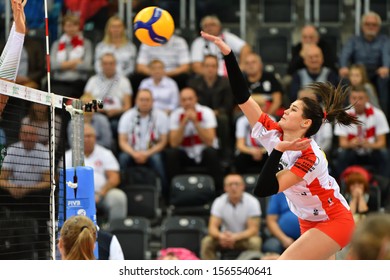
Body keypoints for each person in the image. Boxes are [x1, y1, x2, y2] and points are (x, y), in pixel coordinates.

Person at [201, 30, 360, 260]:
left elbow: (263, 189)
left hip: (333, 220)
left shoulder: (310, 157)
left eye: (293, 109)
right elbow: (243, 98)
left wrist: (277, 151)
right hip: (308, 220)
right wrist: (228, 56)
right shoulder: (273, 131)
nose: (285, 110)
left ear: (305, 123)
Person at [64, 124, 127, 223]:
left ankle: (115, 232)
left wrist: (100, 194)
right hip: (76, 195)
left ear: (95, 138)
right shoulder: (68, 156)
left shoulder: (106, 153)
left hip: (102, 194)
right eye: (83, 136)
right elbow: (63, 179)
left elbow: (114, 178)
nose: (87, 139)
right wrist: (80, 195)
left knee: (118, 197)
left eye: (89, 136)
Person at [165, 87, 224, 192]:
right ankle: (173, 190)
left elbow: (210, 141)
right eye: (184, 100)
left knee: (211, 152)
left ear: (196, 99)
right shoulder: (175, 115)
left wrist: (196, 123)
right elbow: (173, 143)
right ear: (180, 101)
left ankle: (218, 190)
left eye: (190, 99)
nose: (187, 102)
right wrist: (183, 123)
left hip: (204, 152)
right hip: (186, 154)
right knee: (171, 153)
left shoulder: (207, 112)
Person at [117, 89, 169, 196]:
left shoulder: (161, 116)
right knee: (123, 158)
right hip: (132, 152)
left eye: (147, 100)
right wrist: (134, 153)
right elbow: (122, 141)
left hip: (152, 152)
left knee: (157, 159)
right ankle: (122, 192)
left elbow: (163, 142)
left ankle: (164, 194)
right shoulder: (127, 116)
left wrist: (147, 154)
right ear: (136, 101)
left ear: (152, 101)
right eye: (141, 99)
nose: (144, 102)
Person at [339, 11, 390, 117]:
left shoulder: (384, 40)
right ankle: (344, 117)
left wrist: (386, 67)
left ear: (378, 27)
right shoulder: (353, 40)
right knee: (343, 80)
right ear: (362, 26)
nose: (371, 27)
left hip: (377, 73)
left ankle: (383, 117)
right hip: (358, 72)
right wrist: (343, 66)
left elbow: (387, 55)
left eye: (374, 25)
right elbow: (344, 55)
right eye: (368, 24)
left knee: (385, 79)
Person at [200, 173, 262, 260]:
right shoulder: (219, 201)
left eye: (237, 184)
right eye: (230, 185)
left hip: (243, 238)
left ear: (243, 186)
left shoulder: (252, 202)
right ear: (225, 188)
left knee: (255, 242)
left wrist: (235, 237)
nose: (233, 187)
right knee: (207, 242)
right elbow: (212, 228)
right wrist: (221, 236)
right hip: (224, 238)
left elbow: (253, 230)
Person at [333, 85, 390, 178]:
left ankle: (384, 185)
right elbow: (342, 143)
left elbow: (382, 143)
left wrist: (369, 144)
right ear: (349, 99)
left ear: (367, 99)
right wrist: (351, 144)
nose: (357, 102)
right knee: (342, 154)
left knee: (384, 154)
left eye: (361, 98)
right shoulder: (343, 115)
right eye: (354, 98)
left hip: (371, 152)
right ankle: (340, 184)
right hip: (352, 151)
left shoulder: (378, 114)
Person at [187, 54, 234, 161]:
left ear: (217, 68)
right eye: (207, 66)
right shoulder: (194, 83)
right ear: (202, 67)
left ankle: (225, 154)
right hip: (199, 113)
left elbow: (228, 105)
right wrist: (205, 113)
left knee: (223, 119)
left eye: (213, 66)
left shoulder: (226, 83)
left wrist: (215, 113)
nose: (210, 69)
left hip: (219, 114)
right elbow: (191, 101)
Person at [83, 52, 132, 139]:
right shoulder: (93, 80)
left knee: (116, 125)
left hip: (116, 116)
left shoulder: (124, 81)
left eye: (111, 63)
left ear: (115, 64)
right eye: (105, 63)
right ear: (101, 65)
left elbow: (127, 106)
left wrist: (117, 111)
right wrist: (96, 108)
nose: (108, 66)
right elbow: (85, 102)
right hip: (96, 115)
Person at [49, 14, 93, 99]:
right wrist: (75, 62)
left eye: (74, 25)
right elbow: (53, 65)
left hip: (77, 82)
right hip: (58, 81)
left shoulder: (86, 43)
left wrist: (63, 65)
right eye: (68, 26)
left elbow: (87, 66)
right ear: (63, 27)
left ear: (78, 26)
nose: (71, 28)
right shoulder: (56, 44)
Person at [0, 0, 27, 116]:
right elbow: (19, 34)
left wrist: (18, 12)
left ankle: (17, 10)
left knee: (16, 35)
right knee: (17, 35)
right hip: (3, 86)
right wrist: (18, 11)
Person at [242, 52, 284, 118]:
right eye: (247, 63)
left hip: (270, 113)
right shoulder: (241, 81)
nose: (250, 65)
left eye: (253, 62)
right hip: (248, 115)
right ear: (243, 66)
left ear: (260, 64)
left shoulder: (270, 77)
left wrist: (266, 117)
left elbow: (277, 101)